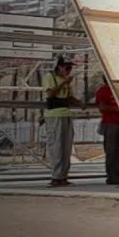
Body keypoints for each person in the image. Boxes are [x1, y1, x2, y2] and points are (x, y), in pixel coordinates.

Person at [43, 55, 80, 187]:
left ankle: (63, 176)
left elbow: (69, 97)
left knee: (66, 147)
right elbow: (50, 94)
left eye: (70, 68)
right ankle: (56, 176)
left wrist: (80, 103)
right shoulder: (50, 77)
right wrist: (64, 83)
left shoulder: (66, 80)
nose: (69, 70)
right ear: (59, 67)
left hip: (66, 114)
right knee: (56, 146)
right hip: (55, 114)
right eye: (66, 68)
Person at [94, 79, 119, 187]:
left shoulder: (118, 89)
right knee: (111, 150)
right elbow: (102, 107)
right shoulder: (103, 91)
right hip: (110, 123)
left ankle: (117, 174)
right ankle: (111, 175)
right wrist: (118, 109)